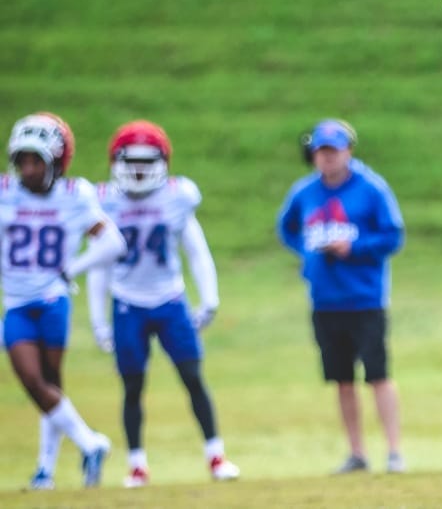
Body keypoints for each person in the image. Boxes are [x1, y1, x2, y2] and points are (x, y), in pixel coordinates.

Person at [86, 120, 241, 487]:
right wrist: (97, 320)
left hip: (170, 300)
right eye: (131, 162)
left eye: (146, 161)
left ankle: (216, 456)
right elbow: (98, 265)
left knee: (192, 377)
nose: (138, 170)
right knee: (133, 386)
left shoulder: (177, 197)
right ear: (116, 162)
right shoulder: (104, 200)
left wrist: (210, 297)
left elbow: (196, 251)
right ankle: (137, 465)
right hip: (127, 303)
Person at [1, 112, 126, 489]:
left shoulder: (75, 196)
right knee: (32, 380)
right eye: (23, 160)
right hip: (17, 302)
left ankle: (45, 471)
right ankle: (91, 443)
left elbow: (113, 242)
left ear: (56, 162)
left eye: (36, 160)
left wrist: (74, 268)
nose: (28, 168)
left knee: (50, 384)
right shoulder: (6, 191)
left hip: (53, 299)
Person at [277, 119, 407, 475]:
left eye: (334, 151)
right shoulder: (304, 192)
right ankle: (356, 452)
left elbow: (393, 236)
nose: (327, 158)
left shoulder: (371, 188)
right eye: (321, 152)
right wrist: (307, 251)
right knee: (342, 378)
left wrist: (354, 247)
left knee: (378, 374)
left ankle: (394, 452)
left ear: (348, 151)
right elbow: (286, 227)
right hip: (325, 300)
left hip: (365, 299)